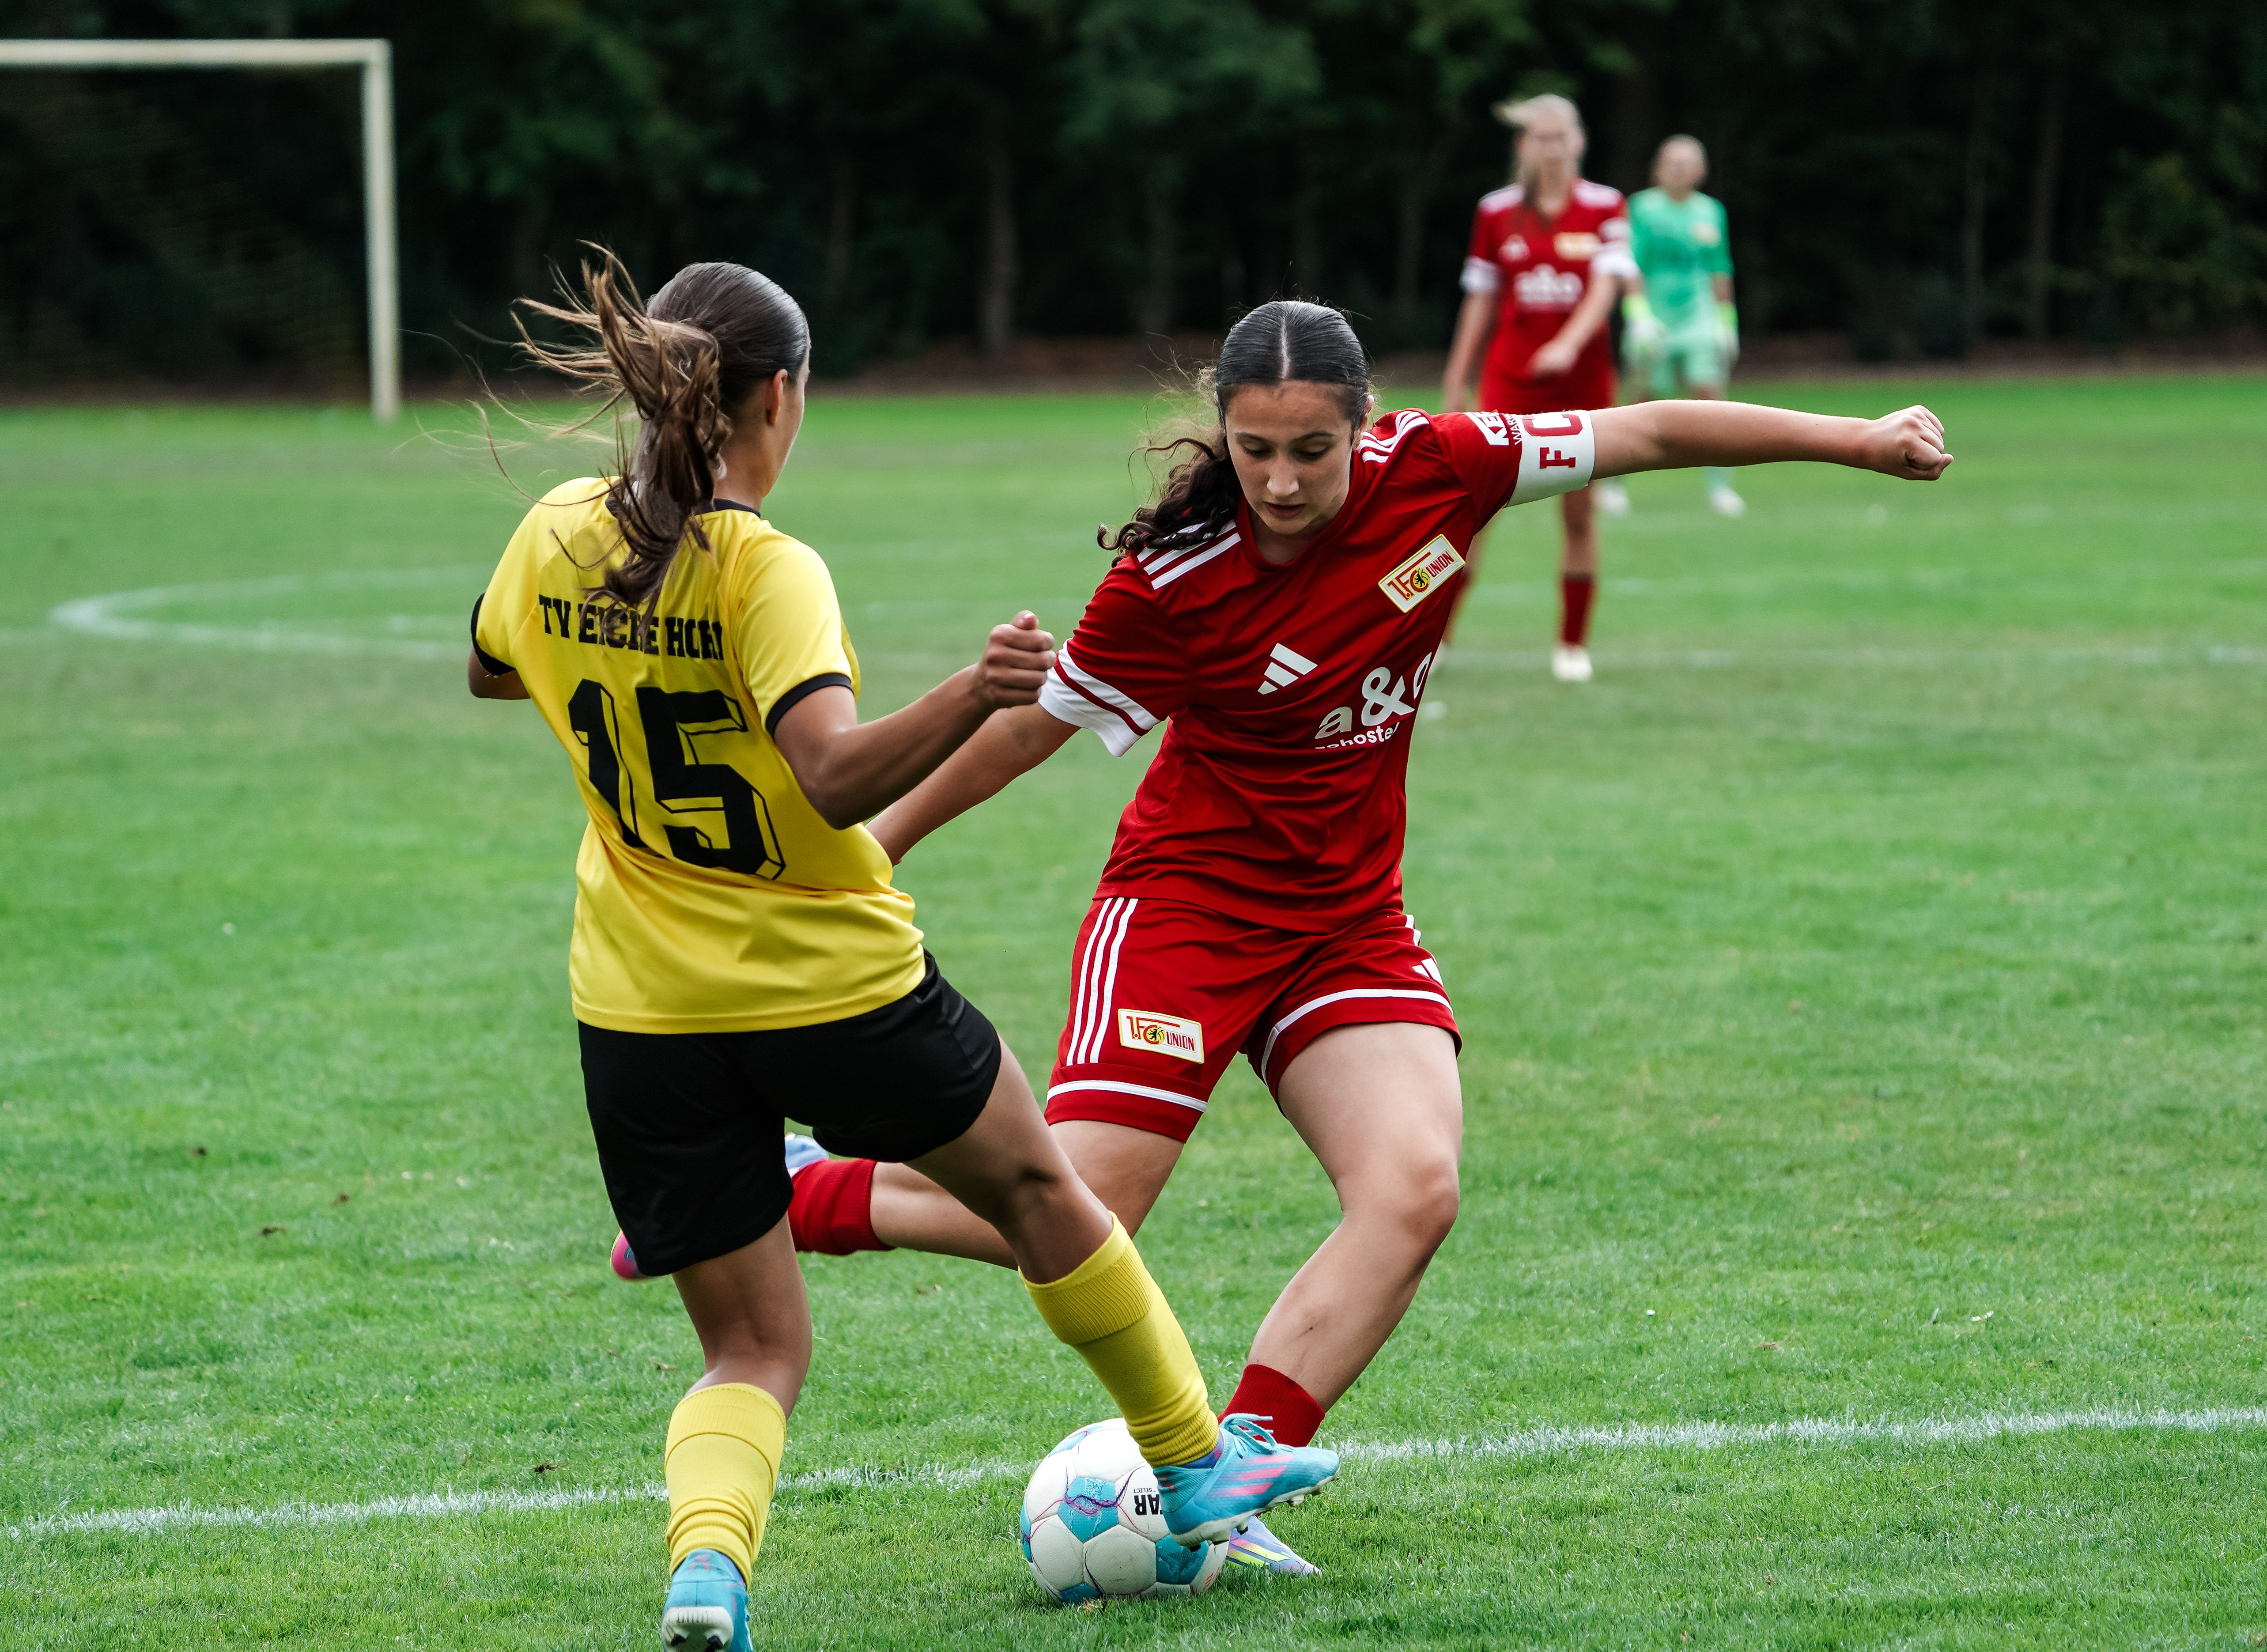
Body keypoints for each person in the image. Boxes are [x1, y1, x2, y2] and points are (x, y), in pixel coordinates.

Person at [751, 299, 1951, 1576]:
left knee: (1412, 1189)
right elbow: (1027, 728)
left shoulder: (1445, 467)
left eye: (1310, 451)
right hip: (1184, 913)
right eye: (1255, 448)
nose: (1279, 479)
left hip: (1346, 919)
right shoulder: (1172, 576)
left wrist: (1854, 439)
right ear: (1223, 432)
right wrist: (879, 849)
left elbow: (1645, 427)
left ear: (1362, 431)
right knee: (1078, 1212)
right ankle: (802, 1189)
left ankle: (1231, 1476)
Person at [467, 253, 1336, 1650]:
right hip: (833, 984)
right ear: (782, 398)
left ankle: (707, 1575)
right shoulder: (765, 566)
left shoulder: (556, 528)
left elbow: (494, 667)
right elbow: (828, 775)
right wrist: (969, 689)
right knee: (1048, 1191)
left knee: (751, 1347)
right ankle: (1189, 1456)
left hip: (640, 1007)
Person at [1441, 92, 1637, 683]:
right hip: (1509, 380)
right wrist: (1458, 375)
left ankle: (1570, 645)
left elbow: (1606, 289)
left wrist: (1568, 344)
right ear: (1523, 146)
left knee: (1578, 513)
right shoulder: (1496, 211)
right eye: (1539, 138)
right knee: (1470, 512)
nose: (1551, 148)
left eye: (1561, 137)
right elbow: (1480, 298)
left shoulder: (1606, 206)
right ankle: (1436, 642)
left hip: (1581, 381)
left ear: (1578, 141)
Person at [1625, 135, 1746, 518]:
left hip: (1699, 316)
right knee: (1642, 398)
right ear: (1659, 167)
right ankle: (1610, 485)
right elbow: (1631, 265)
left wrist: (1727, 322)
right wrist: (1639, 315)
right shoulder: (1641, 208)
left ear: (1701, 170)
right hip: (1655, 317)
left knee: (1711, 396)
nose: (1679, 170)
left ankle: (1720, 488)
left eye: (1687, 163)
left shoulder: (1710, 212)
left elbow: (1719, 269)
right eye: (1672, 163)